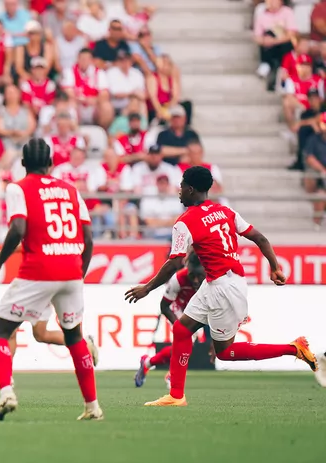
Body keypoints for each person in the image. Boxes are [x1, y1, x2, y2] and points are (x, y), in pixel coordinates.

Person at [125, 166, 318, 407]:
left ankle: (293, 348)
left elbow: (175, 262)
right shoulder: (225, 211)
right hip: (221, 282)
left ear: (191, 189)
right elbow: (261, 238)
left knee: (225, 352)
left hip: (223, 289)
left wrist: (147, 287)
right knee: (183, 330)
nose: (179, 191)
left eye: (182, 185)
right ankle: (176, 395)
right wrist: (275, 267)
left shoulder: (184, 222)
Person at [0, 138, 101, 421]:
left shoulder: (18, 188)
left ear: (22, 164)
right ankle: (92, 406)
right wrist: (78, 274)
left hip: (39, 270)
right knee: (74, 337)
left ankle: (7, 391)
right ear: (51, 164)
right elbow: (89, 239)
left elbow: (18, 227)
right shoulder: (72, 190)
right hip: (72, 270)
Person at [134, 253, 205, 389]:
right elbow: (164, 306)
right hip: (178, 308)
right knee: (187, 342)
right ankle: (172, 374)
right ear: (187, 269)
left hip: (195, 310)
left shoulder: (211, 279)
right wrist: (178, 325)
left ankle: (147, 363)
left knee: (183, 346)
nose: (196, 280)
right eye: (192, 276)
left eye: (199, 276)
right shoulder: (178, 279)